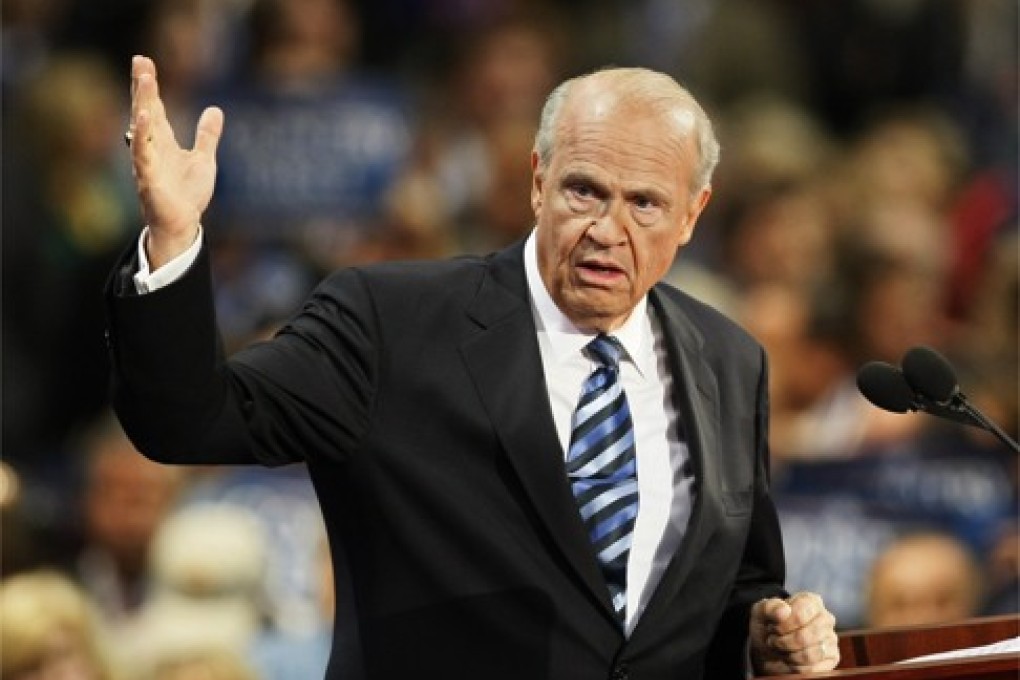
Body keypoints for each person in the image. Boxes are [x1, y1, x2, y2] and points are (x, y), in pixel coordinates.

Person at [106, 55, 839, 678]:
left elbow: (733, 583)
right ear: (536, 180)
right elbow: (192, 422)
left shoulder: (729, 359)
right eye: (584, 190)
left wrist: (762, 635)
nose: (607, 231)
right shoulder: (389, 323)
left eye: (645, 204)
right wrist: (173, 241)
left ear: (692, 215)